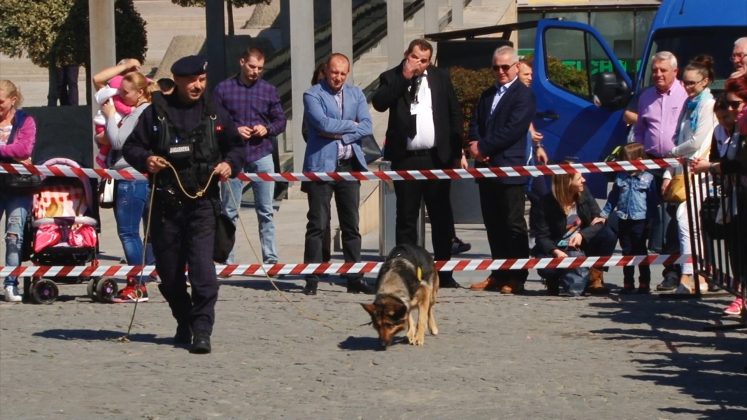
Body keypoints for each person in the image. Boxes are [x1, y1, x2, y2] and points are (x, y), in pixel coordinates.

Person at [123, 55, 245, 354]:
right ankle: (184, 319)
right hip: (166, 207)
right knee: (169, 275)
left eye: (202, 80)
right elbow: (131, 147)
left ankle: (202, 330)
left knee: (204, 273)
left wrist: (230, 164)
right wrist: (146, 159)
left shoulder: (214, 111)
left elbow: (237, 146)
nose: (197, 86)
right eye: (191, 81)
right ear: (177, 80)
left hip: (203, 205)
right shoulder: (156, 113)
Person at [371, 39, 463, 289]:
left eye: (424, 61)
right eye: (415, 58)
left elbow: (454, 113)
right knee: (406, 218)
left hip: (436, 158)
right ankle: (408, 272)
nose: (419, 64)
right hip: (406, 158)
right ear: (406, 54)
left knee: (441, 216)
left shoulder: (440, 77)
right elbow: (380, 102)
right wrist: (405, 76)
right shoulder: (392, 76)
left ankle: (444, 272)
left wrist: (457, 152)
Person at [301, 53, 373, 296]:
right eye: (334, 72)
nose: (338, 77)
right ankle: (311, 277)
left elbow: (367, 125)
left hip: (349, 166)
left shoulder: (356, 94)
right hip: (321, 166)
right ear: (326, 70)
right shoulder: (312, 94)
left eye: (342, 73)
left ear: (347, 73)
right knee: (317, 224)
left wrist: (340, 132)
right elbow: (321, 124)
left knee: (351, 224)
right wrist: (351, 125)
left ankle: (354, 277)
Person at [464, 46, 535, 294]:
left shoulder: (523, 95)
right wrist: (475, 145)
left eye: (505, 67)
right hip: (486, 168)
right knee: (493, 224)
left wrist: (484, 147)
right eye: (496, 67)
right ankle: (498, 272)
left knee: (513, 223)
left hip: (510, 168)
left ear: (516, 66)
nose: (501, 71)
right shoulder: (487, 95)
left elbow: (514, 129)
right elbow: (476, 123)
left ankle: (517, 276)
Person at [214, 47, 287, 266]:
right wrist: (233, 130)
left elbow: (280, 121)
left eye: (260, 68)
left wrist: (267, 128)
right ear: (242, 62)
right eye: (252, 66)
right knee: (229, 210)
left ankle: (271, 259)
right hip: (232, 156)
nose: (256, 71)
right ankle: (227, 260)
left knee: (266, 210)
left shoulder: (268, 90)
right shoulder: (223, 89)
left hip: (261, 153)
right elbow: (213, 121)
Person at [93, 65, 157, 303]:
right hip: (133, 176)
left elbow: (118, 141)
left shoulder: (140, 113)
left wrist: (110, 116)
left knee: (129, 233)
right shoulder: (143, 111)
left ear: (140, 92)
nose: (120, 96)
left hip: (131, 177)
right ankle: (140, 278)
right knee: (135, 232)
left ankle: (137, 284)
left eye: (125, 92)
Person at [633, 51, 689, 291]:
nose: (658, 74)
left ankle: (674, 272)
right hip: (650, 163)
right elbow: (639, 129)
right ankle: (645, 274)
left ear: (675, 71)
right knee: (652, 221)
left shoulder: (685, 94)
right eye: (654, 70)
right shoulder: (646, 96)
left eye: (663, 70)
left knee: (674, 220)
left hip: (677, 164)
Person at [691, 75, 747, 315]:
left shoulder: (741, 131)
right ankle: (741, 294)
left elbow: (739, 164)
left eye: (737, 105)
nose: (733, 112)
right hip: (735, 195)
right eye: (728, 108)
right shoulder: (727, 132)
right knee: (735, 247)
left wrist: (713, 167)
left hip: (740, 190)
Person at [663, 56, 718, 295]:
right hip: (685, 169)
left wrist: (672, 153)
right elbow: (679, 137)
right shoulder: (689, 105)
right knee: (690, 223)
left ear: (705, 82)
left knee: (686, 220)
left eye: (692, 83)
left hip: (700, 171)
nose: (687, 87)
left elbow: (696, 141)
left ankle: (691, 274)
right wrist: (669, 170)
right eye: (684, 82)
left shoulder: (708, 105)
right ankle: (699, 275)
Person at [530, 171, 617, 296]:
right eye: (579, 178)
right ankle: (553, 280)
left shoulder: (584, 193)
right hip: (557, 247)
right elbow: (541, 236)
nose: (584, 180)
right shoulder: (545, 203)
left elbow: (599, 221)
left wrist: (582, 235)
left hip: (581, 245)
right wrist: (556, 251)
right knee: (547, 269)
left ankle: (595, 277)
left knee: (608, 235)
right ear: (567, 182)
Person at [598, 143, 658, 294]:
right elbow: (613, 197)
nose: (623, 164)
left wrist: (652, 220)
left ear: (639, 160)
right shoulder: (621, 176)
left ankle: (644, 282)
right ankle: (628, 282)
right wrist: (604, 214)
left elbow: (652, 201)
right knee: (626, 251)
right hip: (623, 218)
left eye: (626, 161)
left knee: (641, 250)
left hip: (641, 219)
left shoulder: (648, 178)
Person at [0, 80, 36, 302]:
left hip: (18, 187)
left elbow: (24, 148)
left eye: (0, 101)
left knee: (14, 236)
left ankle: (11, 284)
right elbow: (17, 152)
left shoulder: (26, 121)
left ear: (13, 100)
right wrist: (11, 152)